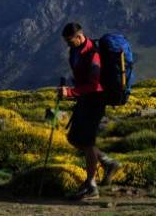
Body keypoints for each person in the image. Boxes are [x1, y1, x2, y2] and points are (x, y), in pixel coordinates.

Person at [59, 22, 122, 200]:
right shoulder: (75, 51)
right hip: (84, 100)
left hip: (95, 101)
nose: (68, 45)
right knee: (74, 138)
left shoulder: (93, 54)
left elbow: (94, 85)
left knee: (87, 142)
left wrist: (70, 92)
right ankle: (108, 163)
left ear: (80, 36)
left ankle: (91, 186)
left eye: (70, 41)